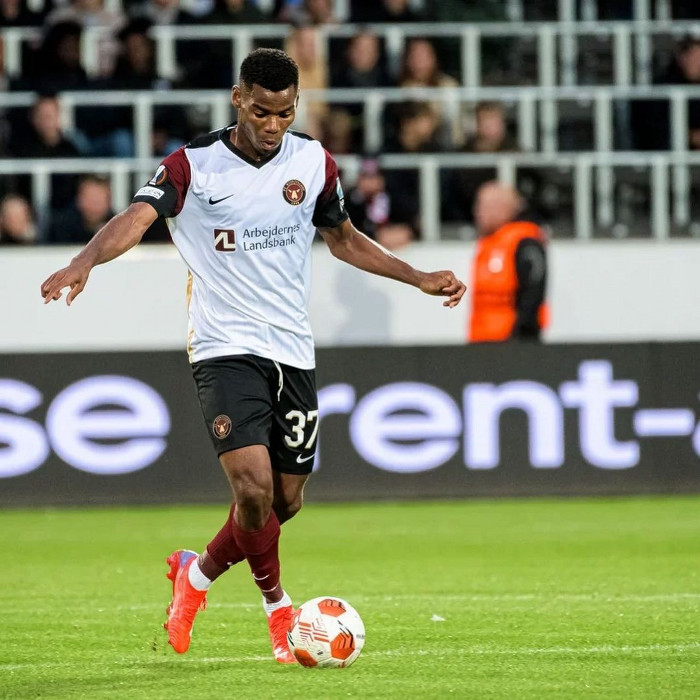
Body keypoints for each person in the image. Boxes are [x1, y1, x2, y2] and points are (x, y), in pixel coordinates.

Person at [40, 48, 465, 664]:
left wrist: (417, 276)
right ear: (238, 99)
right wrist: (85, 261)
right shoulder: (193, 166)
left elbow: (343, 239)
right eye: (262, 111)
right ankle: (278, 611)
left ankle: (195, 576)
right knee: (253, 487)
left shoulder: (312, 161)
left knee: (284, 502)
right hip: (224, 346)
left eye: (285, 113)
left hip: (292, 348)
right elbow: (136, 217)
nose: (273, 125)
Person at [468, 181, 548, 343]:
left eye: (482, 206)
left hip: (511, 342)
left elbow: (532, 293)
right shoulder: (489, 243)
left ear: (502, 207)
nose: (477, 212)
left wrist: (521, 336)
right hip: (482, 340)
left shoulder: (524, 242)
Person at [46, 175, 113, 244]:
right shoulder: (61, 227)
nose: (94, 205)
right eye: (89, 199)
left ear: (109, 200)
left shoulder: (118, 225)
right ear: (78, 199)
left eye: (98, 199)